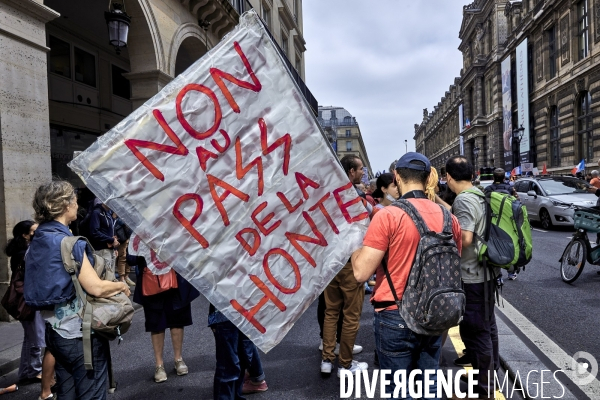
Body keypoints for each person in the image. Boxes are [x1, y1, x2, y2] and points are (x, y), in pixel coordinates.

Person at [351, 153, 462, 397]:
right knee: (429, 387)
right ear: (427, 179)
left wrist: (352, 244)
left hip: (394, 313)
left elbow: (360, 273)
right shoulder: (449, 218)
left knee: (399, 391)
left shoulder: (387, 216)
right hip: (434, 313)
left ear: (398, 177)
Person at [24, 180, 131, 400]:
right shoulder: (68, 242)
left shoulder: (38, 240)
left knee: (68, 393)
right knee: (91, 394)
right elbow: (96, 287)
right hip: (79, 334)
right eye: (73, 199)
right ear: (64, 205)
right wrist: (121, 285)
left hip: (54, 332)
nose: (76, 203)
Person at [436, 156, 500, 399]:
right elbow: (463, 217)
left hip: (472, 275)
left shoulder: (463, 200)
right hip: (487, 272)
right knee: (488, 328)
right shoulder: (479, 194)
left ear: (449, 177)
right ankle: (488, 380)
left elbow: (466, 238)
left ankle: (483, 391)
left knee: (475, 333)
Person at [321, 154, 368, 377]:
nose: (362, 172)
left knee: (331, 312)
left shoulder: (327, 194)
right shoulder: (354, 197)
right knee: (350, 315)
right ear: (351, 172)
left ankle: (327, 359)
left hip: (331, 260)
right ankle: (346, 364)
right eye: (360, 169)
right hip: (350, 260)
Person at [5, 220, 58, 400]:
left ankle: (27, 371)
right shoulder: (24, 253)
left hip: (26, 298)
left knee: (31, 336)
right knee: (36, 337)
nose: (38, 233)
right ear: (25, 235)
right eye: (34, 231)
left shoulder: (22, 251)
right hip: (28, 299)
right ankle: (33, 370)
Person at [129, 256, 199, 383]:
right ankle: (159, 365)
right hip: (151, 278)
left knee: (178, 317)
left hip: (176, 276)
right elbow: (131, 258)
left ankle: (178, 359)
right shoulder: (139, 235)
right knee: (156, 322)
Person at [208, 305, 268, 399]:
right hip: (231, 313)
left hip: (238, 312)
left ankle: (234, 395)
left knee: (237, 361)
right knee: (230, 363)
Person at [87, 198, 118, 275]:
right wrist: (111, 240)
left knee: (109, 276)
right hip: (101, 250)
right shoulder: (96, 212)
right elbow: (94, 232)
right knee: (103, 275)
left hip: (110, 249)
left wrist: (114, 248)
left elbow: (111, 231)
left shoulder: (108, 214)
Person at [114, 217, 135, 286]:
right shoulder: (121, 216)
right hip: (123, 236)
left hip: (129, 236)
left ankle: (126, 276)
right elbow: (119, 222)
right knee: (123, 257)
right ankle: (122, 278)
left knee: (129, 256)